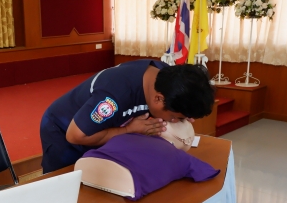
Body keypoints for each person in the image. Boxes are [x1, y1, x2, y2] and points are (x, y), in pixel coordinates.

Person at [40, 59, 215, 173]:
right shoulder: (113, 97)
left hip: (103, 126)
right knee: (65, 187)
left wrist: (186, 111)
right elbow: (75, 135)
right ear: (158, 99)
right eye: (177, 117)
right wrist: (128, 130)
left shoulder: (166, 77)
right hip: (63, 129)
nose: (176, 121)